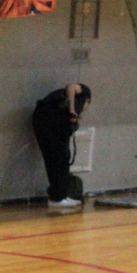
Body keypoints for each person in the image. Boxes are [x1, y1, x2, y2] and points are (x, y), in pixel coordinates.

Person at [32, 82, 92, 210]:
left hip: (49, 122)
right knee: (57, 158)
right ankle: (57, 198)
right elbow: (71, 86)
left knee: (62, 157)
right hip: (48, 121)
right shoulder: (84, 93)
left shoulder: (65, 110)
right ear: (88, 101)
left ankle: (61, 195)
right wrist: (72, 110)